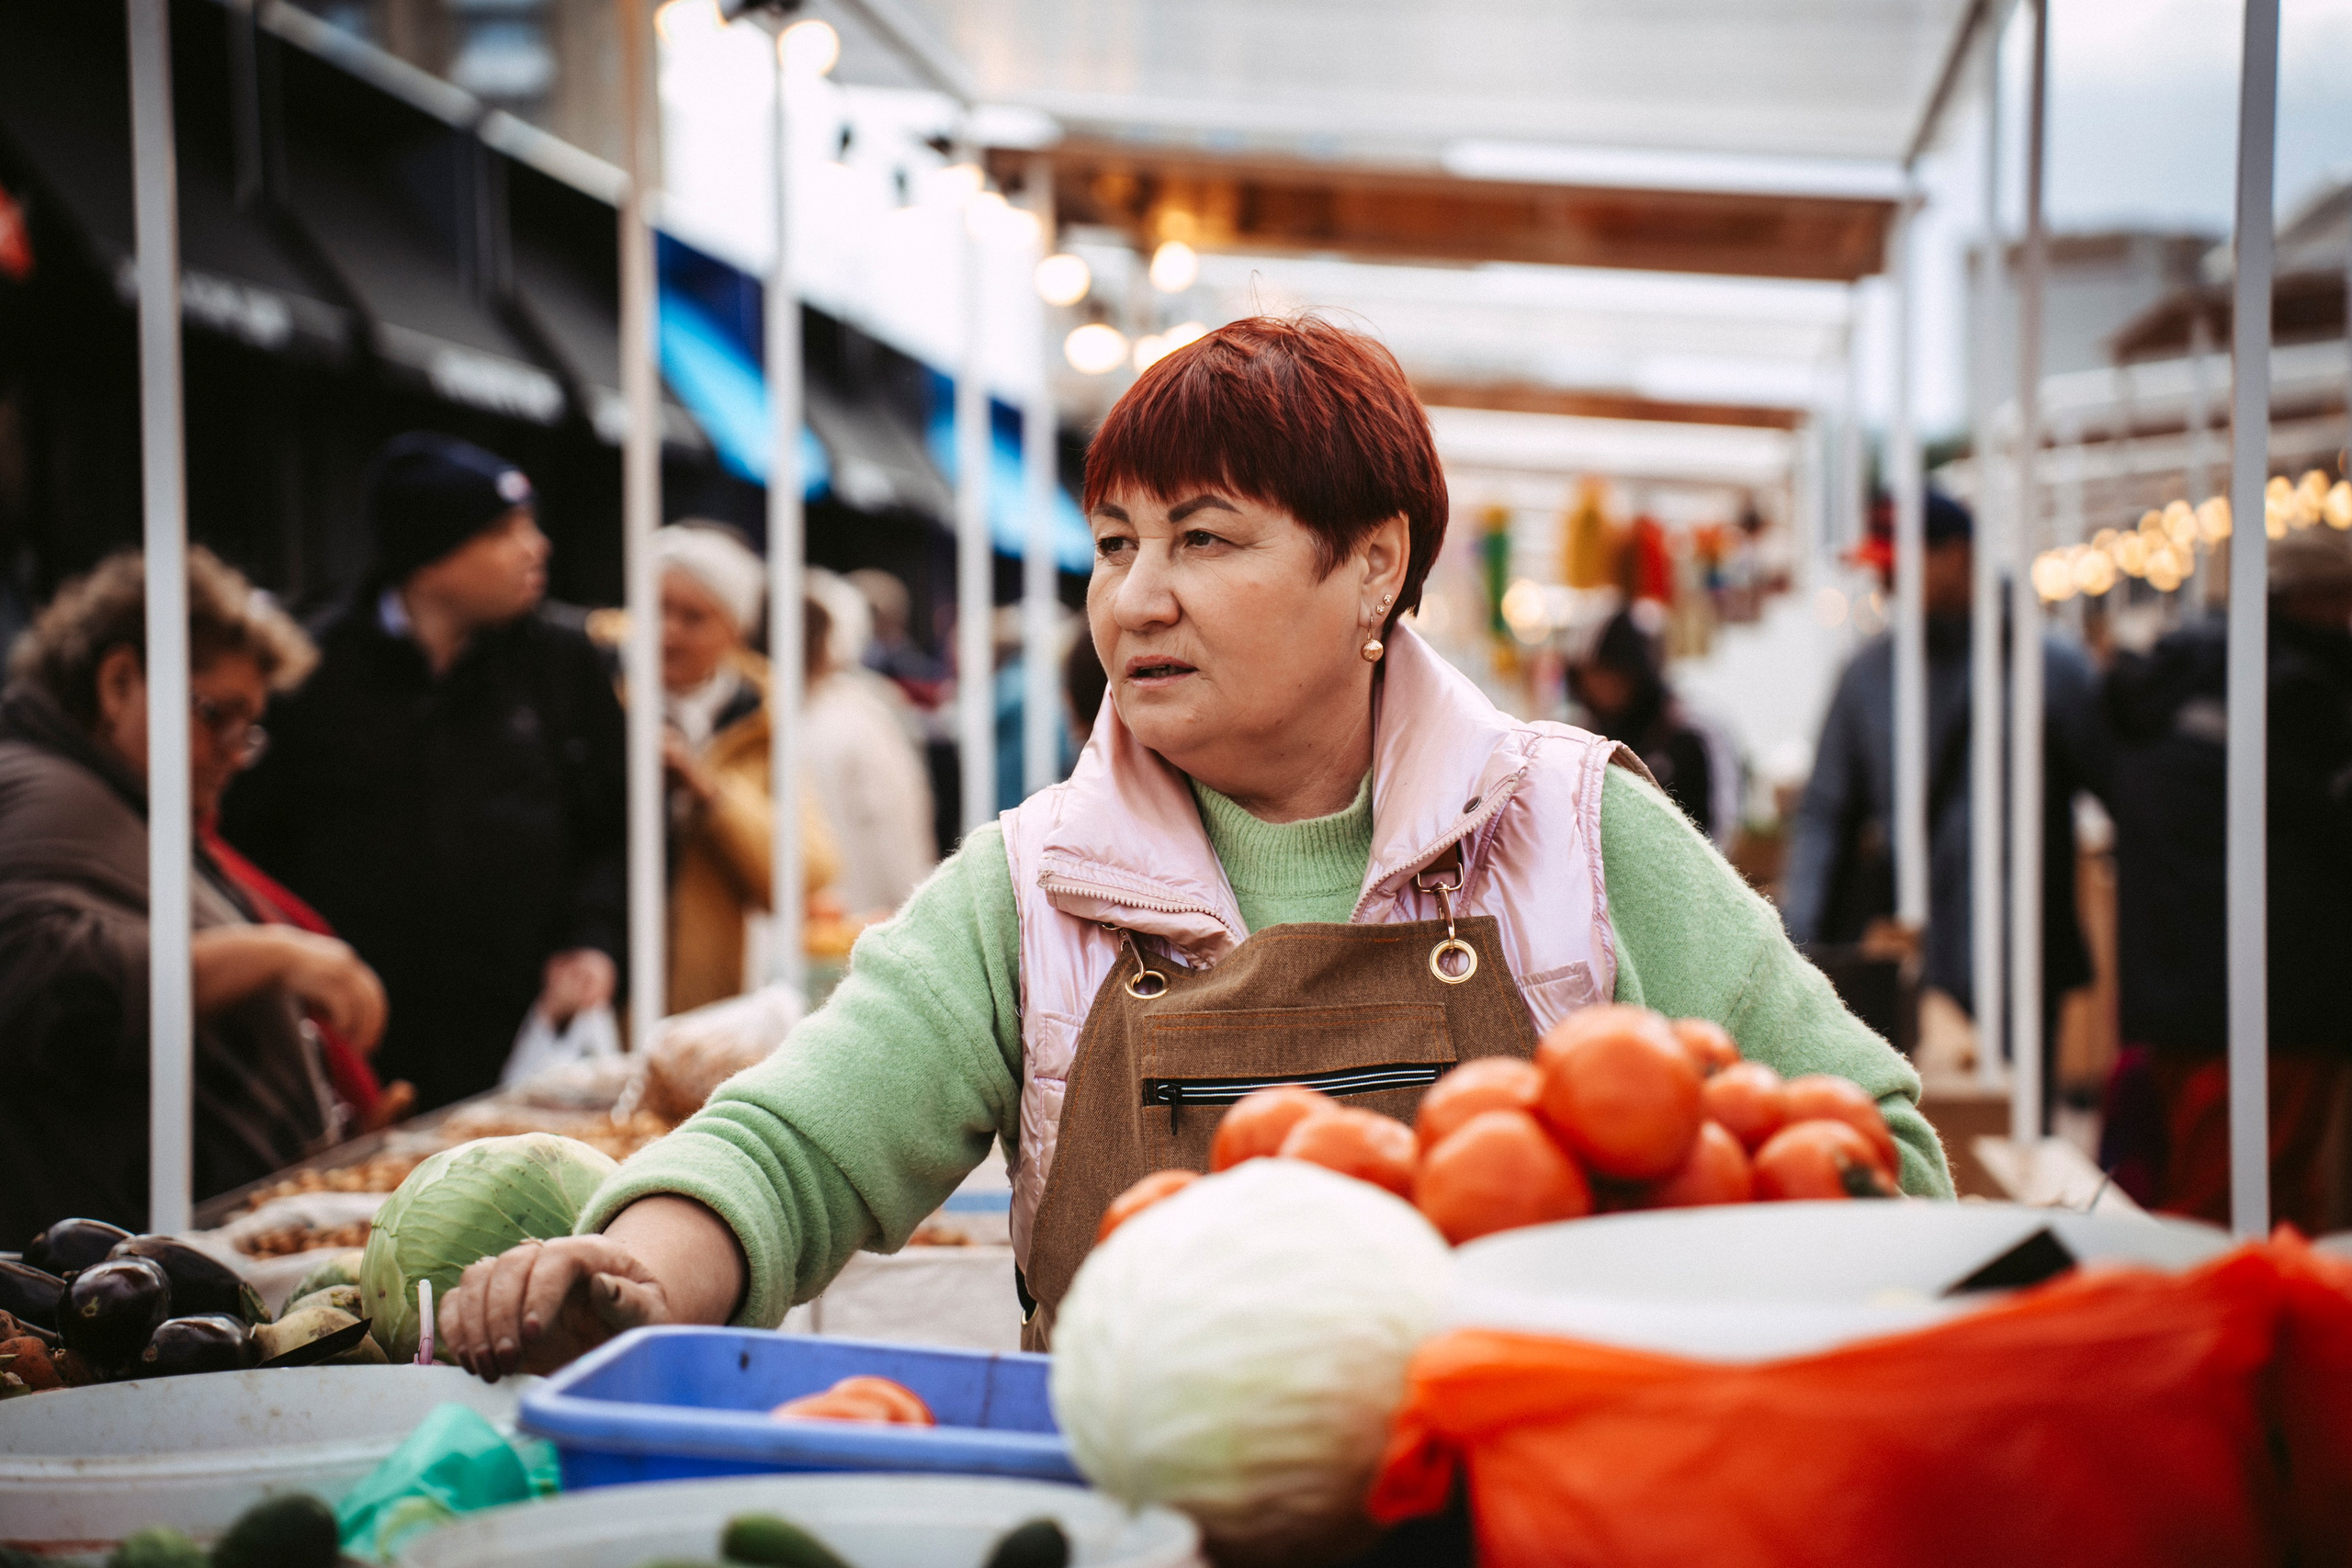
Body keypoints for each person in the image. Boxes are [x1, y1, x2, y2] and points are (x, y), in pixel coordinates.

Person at [438, 317, 1951, 1380]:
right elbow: (796, 1143)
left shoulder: (1572, 828)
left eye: (1203, 539)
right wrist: (641, 1259)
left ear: (1374, 566)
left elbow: (1880, 1145)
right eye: (1114, 544)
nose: (1133, 600)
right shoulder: (1032, 887)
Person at [222, 433, 627, 1112]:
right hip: (351, 1045)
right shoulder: (306, 671)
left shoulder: (563, 662)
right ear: (429, 559)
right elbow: (245, 845)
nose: (537, 546)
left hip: (525, 1030)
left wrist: (595, 939)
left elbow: (619, 824)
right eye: (503, 531)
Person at [0, 548, 385, 1246]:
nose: (236, 750)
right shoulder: (47, 792)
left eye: (250, 725)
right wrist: (270, 956)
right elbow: (36, 975)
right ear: (120, 681)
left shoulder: (105, 791)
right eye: (218, 714)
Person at [2100, 525, 2352, 1231]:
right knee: (2242, 1202)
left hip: (2177, 986)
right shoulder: (2301, 691)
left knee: (2231, 1192)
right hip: (2274, 997)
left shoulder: (2181, 677)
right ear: (2325, 600)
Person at [1781, 492, 2109, 1031]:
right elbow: (1823, 813)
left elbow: (2116, 785)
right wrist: (1796, 951)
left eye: (1897, 569)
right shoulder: (1867, 676)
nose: (1885, 587)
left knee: (2015, 1108)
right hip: (1906, 960)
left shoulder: (2050, 669)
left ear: (1955, 556)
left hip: (2023, 963)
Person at [651, 523, 838, 1013]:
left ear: (734, 631)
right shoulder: (593, 692)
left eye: (693, 618)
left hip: (702, 997)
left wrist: (709, 792)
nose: (667, 632)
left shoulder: (764, 723)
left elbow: (806, 870)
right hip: (588, 991)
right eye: (656, 609)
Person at [800, 572, 936, 919]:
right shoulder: (863, 716)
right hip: (860, 916)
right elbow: (894, 826)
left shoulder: (757, 712)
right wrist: (914, 909)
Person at [1567, 607, 1726, 842]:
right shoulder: (1583, 737)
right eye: (1590, 674)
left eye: (1609, 671)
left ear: (1635, 673)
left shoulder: (1686, 734)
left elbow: (1715, 826)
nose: (1599, 684)